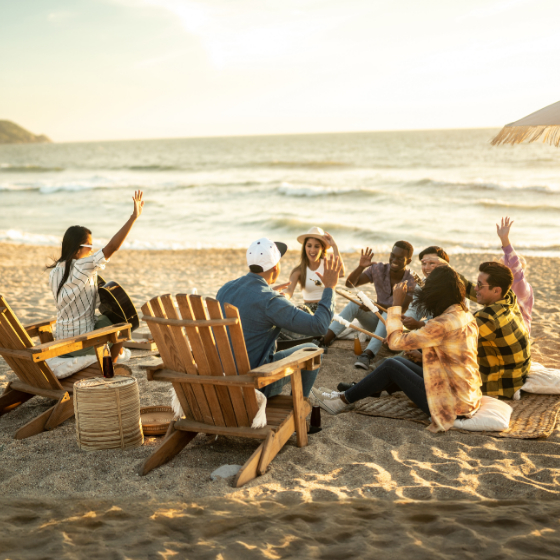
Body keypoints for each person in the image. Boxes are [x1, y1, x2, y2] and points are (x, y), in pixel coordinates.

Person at [314, 266, 482, 433]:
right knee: (397, 361)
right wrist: (422, 356)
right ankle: (345, 395)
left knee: (391, 366)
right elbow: (453, 358)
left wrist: (396, 304)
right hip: (466, 396)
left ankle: (341, 400)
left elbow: (394, 343)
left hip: (451, 406)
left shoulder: (442, 324)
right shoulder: (465, 315)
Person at [216, 237, 342, 398]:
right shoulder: (270, 301)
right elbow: (319, 326)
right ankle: (299, 405)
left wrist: (270, 294)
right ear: (276, 267)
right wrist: (329, 288)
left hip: (223, 377)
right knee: (314, 350)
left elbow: (250, 309)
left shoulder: (225, 289)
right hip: (255, 385)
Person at [48, 191, 144, 362]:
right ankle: (111, 367)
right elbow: (113, 246)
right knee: (123, 324)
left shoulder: (54, 272)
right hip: (81, 345)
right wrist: (133, 218)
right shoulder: (83, 265)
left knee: (103, 319)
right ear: (78, 249)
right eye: (89, 246)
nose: (92, 250)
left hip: (61, 343)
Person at [322, 241, 419, 370]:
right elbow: (350, 284)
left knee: (388, 312)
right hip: (379, 326)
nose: (394, 260)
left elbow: (400, 309)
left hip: (397, 330)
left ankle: (368, 354)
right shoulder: (379, 269)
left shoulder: (412, 280)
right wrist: (361, 267)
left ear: (409, 261)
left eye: (400, 258)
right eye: (393, 255)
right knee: (354, 304)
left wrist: (374, 305)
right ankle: (324, 341)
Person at [460, 262, 530, 399]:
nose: (476, 288)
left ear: (496, 290)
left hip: (502, 384)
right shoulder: (509, 297)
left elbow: (450, 339)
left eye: (480, 285)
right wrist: (445, 268)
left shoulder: (488, 319)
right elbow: (472, 290)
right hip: (519, 372)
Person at [284, 227, 346, 312]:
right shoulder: (298, 271)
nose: (312, 250)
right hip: (307, 310)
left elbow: (342, 272)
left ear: (322, 248)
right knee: (299, 309)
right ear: (305, 247)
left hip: (325, 309)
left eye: (317, 246)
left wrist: (334, 246)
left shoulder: (326, 265)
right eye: (309, 246)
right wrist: (284, 296)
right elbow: (289, 290)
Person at [496, 217, 533, 333]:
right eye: (501, 265)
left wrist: (505, 240)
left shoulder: (523, 287)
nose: (503, 267)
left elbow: (515, 265)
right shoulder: (500, 286)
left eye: (507, 264)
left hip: (519, 332)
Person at [402, 246, 450, 330]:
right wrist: (406, 319)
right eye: (424, 264)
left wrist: (420, 324)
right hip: (430, 330)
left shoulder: (453, 285)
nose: (427, 268)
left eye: (432, 263)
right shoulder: (422, 283)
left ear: (443, 264)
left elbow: (448, 320)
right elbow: (414, 310)